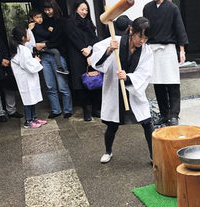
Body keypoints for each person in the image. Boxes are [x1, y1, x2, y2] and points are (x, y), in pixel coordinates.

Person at [90, 17, 154, 163]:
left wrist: (128, 77)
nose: (142, 41)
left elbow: (145, 73)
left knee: (146, 122)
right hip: (114, 89)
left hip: (133, 91)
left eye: (146, 37)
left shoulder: (146, 51)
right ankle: (108, 151)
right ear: (131, 30)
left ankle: (153, 155)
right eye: (140, 36)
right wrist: (108, 51)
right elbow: (95, 60)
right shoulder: (114, 41)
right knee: (113, 125)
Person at [143, 0, 188, 126]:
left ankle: (174, 115)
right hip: (152, 48)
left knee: (173, 83)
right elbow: (145, 29)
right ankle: (164, 114)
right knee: (158, 83)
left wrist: (182, 50)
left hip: (168, 48)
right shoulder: (147, 8)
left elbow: (180, 29)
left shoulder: (173, 8)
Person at [36, 0, 73, 119]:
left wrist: (45, 45)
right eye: (45, 10)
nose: (47, 12)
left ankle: (68, 109)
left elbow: (60, 40)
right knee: (50, 86)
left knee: (63, 86)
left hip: (58, 56)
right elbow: (39, 36)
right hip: (45, 57)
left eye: (49, 9)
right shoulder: (43, 22)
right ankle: (56, 110)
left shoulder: (62, 21)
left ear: (54, 8)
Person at [65, 0, 100, 121]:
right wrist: (84, 50)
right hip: (77, 57)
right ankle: (86, 110)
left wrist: (89, 49)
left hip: (90, 56)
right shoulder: (70, 23)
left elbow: (94, 39)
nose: (84, 12)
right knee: (81, 84)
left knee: (94, 81)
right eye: (82, 9)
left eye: (86, 10)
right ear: (76, 9)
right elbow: (74, 39)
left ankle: (95, 109)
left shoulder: (89, 23)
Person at [9, 27, 47, 128]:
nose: (29, 35)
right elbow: (27, 64)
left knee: (31, 98)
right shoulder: (23, 50)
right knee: (28, 99)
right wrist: (36, 61)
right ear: (23, 37)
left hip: (26, 78)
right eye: (28, 34)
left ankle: (34, 118)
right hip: (25, 79)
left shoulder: (20, 48)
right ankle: (28, 121)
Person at [29, 9, 68, 75]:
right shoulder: (36, 26)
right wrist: (51, 32)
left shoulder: (40, 25)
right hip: (42, 43)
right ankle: (60, 67)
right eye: (37, 17)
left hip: (43, 44)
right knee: (56, 52)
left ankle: (60, 67)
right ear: (32, 19)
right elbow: (44, 34)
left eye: (40, 17)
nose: (40, 19)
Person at [0, 31, 23, 123]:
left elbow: (3, 47)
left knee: (9, 88)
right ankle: (0, 113)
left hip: (4, 65)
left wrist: (7, 58)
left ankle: (12, 110)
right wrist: (0, 60)